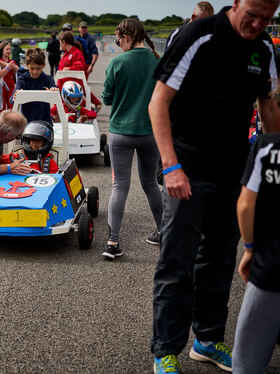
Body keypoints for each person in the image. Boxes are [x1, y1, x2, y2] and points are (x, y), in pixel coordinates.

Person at [149, 0, 280, 372]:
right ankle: (165, 349)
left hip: (232, 172)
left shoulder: (264, 48)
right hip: (186, 169)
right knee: (177, 260)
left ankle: (207, 340)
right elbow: (158, 103)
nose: (257, 24)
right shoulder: (199, 35)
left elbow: (269, 109)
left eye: (267, 19)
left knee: (220, 260)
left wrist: (275, 166)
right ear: (235, 3)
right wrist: (171, 166)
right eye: (251, 14)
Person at [101, 18, 162, 260]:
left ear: (126, 37)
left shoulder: (118, 63)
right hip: (149, 132)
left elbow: (106, 98)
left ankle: (113, 241)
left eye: (118, 40)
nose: (117, 44)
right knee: (150, 185)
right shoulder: (157, 61)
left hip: (121, 133)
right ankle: (164, 231)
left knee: (120, 187)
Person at [233, 133, 280, 373]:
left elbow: (245, 205)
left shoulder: (267, 146)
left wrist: (249, 249)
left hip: (270, 265)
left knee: (247, 363)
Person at [14, 48, 58, 124]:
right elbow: (13, 98)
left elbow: (56, 92)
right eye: (32, 68)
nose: (35, 71)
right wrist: (15, 95)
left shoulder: (48, 79)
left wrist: (54, 90)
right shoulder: (22, 79)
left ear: (43, 66)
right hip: (26, 123)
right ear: (27, 65)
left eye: (38, 68)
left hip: (44, 122)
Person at [0, 40, 16, 117]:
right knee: (0, 109)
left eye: (10, 49)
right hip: (1, 88)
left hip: (11, 87)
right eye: (7, 49)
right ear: (2, 50)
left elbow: (17, 71)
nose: (9, 51)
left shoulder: (12, 62)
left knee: (12, 108)